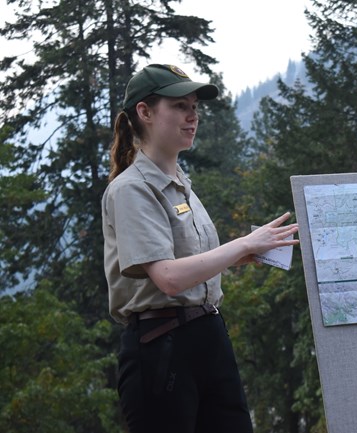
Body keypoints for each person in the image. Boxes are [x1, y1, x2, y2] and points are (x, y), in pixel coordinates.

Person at [101, 63, 299, 433]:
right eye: (179, 106)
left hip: (208, 338)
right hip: (161, 348)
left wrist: (247, 252)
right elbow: (169, 279)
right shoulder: (130, 189)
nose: (192, 116)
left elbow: (190, 265)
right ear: (144, 112)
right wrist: (242, 243)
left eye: (195, 106)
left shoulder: (180, 183)